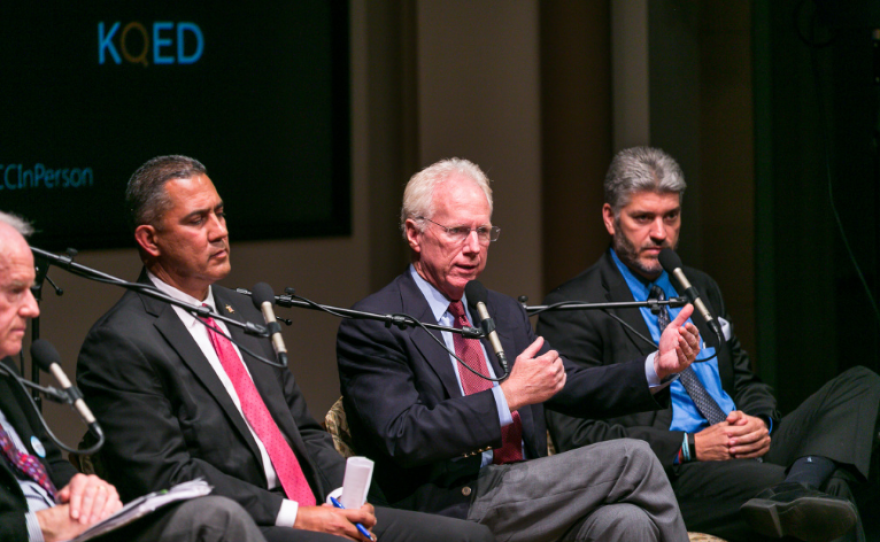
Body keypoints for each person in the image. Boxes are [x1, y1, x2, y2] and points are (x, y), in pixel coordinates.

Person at [75, 155, 493, 542]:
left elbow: (303, 431)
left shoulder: (244, 310)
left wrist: (346, 498)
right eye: (197, 220)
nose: (220, 231)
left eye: (219, 213)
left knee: (471, 537)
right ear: (150, 240)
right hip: (248, 523)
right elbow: (169, 474)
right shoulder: (120, 342)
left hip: (314, 505)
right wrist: (296, 515)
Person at [336, 158, 704, 542]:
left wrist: (656, 368)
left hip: (525, 493)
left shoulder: (500, 310)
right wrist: (505, 397)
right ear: (414, 233)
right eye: (459, 231)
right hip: (451, 505)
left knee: (629, 523)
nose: (474, 248)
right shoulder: (376, 321)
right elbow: (404, 434)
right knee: (635, 457)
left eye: (483, 231)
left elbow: (569, 382)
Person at [537, 146, 880, 542]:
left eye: (671, 216)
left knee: (861, 382)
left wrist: (760, 422)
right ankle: (798, 487)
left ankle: (794, 487)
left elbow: (746, 381)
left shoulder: (699, 287)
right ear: (610, 218)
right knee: (834, 485)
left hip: (741, 444)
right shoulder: (576, 306)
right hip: (673, 471)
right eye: (643, 218)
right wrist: (691, 445)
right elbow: (577, 437)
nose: (660, 233)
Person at [0, 211, 266, 542]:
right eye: (14, 291)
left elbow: (49, 459)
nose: (32, 308)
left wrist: (80, 486)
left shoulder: (5, 367)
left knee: (214, 520)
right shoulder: (122, 339)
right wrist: (39, 527)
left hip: (79, 531)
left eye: (31, 290)